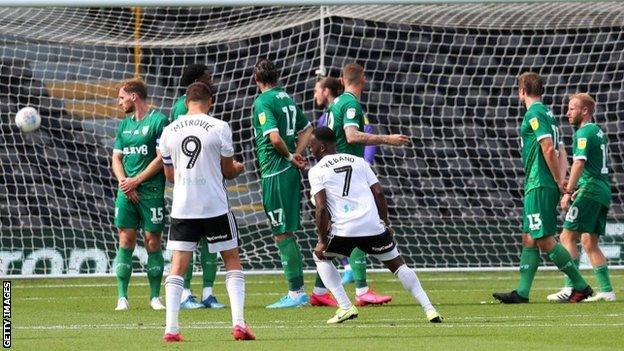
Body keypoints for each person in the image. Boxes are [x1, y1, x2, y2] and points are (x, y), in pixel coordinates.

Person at [308, 127, 442, 324]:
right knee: (398, 265)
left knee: (320, 256)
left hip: (345, 229)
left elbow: (320, 207)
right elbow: (378, 192)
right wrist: (386, 223)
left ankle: (345, 307)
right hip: (372, 225)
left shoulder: (317, 170)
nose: (309, 150)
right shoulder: (359, 161)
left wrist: (322, 240)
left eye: (311, 146)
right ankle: (429, 309)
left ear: (320, 147)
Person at [159, 82, 254, 341]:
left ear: (186, 101)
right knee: (231, 259)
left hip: (184, 206)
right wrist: (237, 168)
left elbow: (169, 176)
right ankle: (238, 324)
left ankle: (172, 328)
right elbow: (227, 171)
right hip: (214, 205)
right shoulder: (219, 127)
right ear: (209, 101)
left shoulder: (168, 131)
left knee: (177, 265)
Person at [493, 72, 593, 303]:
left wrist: (559, 181)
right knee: (529, 237)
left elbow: (548, 148)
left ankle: (580, 285)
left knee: (545, 238)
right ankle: (522, 292)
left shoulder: (535, 113)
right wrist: (562, 178)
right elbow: (561, 150)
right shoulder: (549, 114)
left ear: (522, 92)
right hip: (538, 183)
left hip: (540, 182)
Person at [325, 63, 410, 306]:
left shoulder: (336, 104)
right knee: (356, 227)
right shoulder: (351, 103)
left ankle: (326, 290)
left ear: (342, 80)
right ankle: (361, 290)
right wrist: (388, 139)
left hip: (336, 171)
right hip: (346, 172)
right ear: (363, 80)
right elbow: (351, 135)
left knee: (343, 230)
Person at [251, 59, 314, 308]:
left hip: (275, 173)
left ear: (257, 81)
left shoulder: (263, 102)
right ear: (276, 78)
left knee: (282, 233)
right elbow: (308, 128)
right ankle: (311, 289)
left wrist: (289, 155)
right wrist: (297, 154)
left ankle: (297, 292)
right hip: (287, 171)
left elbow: (274, 138)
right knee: (286, 231)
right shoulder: (287, 98)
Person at [546, 93, 615, 302]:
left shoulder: (583, 133)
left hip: (592, 190)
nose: (567, 113)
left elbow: (579, 163)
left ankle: (571, 287)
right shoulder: (597, 131)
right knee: (589, 241)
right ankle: (607, 291)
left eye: (572, 108)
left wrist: (568, 191)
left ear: (585, 111)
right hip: (601, 189)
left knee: (567, 237)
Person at [169, 63, 224, 309]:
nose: (211, 80)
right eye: (207, 77)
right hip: (192, 187)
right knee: (189, 245)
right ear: (197, 80)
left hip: (205, 183)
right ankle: (187, 293)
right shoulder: (182, 108)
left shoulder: (199, 106)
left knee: (208, 243)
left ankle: (207, 293)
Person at [112, 78, 168, 311]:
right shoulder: (124, 125)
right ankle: (122, 297)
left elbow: (161, 157)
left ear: (134, 96)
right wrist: (125, 182)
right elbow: (117, 157)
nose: (119, 102)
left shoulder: (159, 120)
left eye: (121, 97)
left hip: (151, 191)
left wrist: (137, 181)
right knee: (125, 240)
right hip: (126, 191)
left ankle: (155, 297)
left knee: (153, 242)